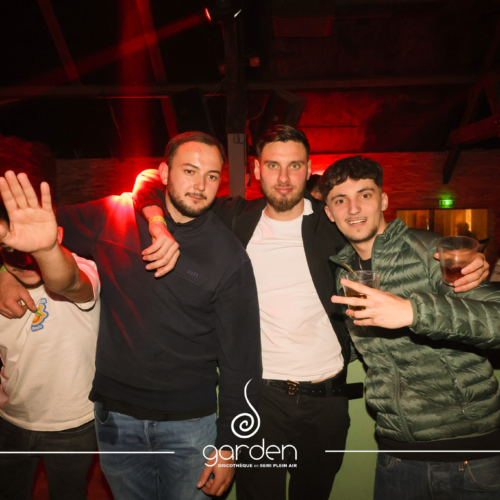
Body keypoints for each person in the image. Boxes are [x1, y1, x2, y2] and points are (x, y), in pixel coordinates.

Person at [131, 125, 490, 500]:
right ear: (256, 170)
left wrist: (463, 261)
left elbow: (386, 240)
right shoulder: (233, 217)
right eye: (273, 165)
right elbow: (150, 181)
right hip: (260, 402)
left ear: (308, 169)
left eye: (295, 166)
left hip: (327, 403)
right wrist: (156, 219)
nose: (284, 178)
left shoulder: (333, 220)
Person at [0, 131, 262, 500]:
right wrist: (3, 269)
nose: (200, 185)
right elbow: (29, 236)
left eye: (212, 176)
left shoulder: (229, 256)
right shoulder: (113, 216)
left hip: (190, 425)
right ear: (164, 173)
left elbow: (242, 362)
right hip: (116, 420)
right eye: (189, 171)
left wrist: (230, 445)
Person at [320, 155, 500, 500]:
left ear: (384, 200)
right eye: (340, 200)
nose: (353, 209)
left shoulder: (429, 250)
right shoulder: (344, 272)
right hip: (396, 455)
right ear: (329, 212)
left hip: (470, 457)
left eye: (365, 195)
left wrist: (412, 312)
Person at [0, 171, 100, 500]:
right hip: (9, 421)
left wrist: (45, 251)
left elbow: (67, 282)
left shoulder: (84, 268)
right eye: (10, 246)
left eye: (34, 243)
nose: (23, 253)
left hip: (71, 426)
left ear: (57, 234)